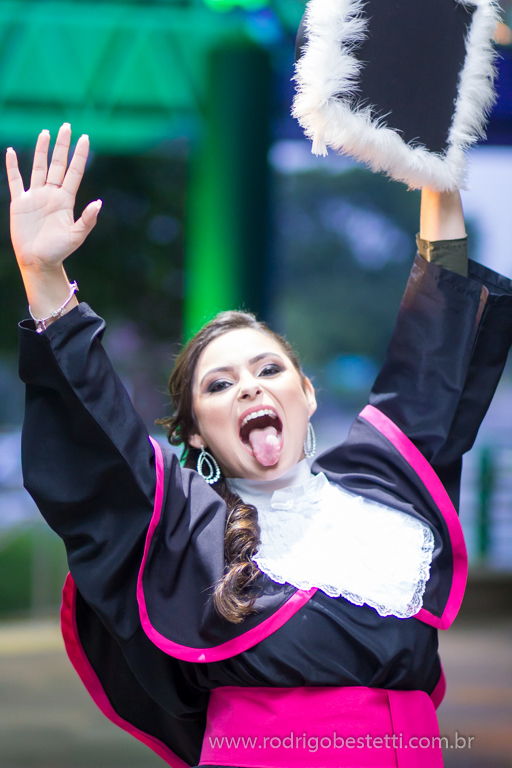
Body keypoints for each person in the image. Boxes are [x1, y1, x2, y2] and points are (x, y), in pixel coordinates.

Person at [7, 124, 512, 768]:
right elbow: (100, 432)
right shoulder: (185, 525)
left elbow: (433, 353)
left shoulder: (386, 483)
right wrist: (44, 277)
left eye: (269, 369)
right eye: (219, 384)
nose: (249, 386)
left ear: (307, 394)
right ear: (195, 432)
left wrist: (440, 181)